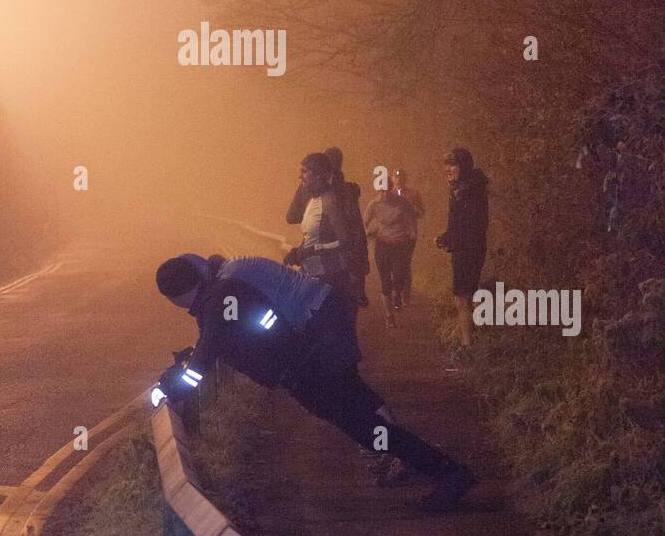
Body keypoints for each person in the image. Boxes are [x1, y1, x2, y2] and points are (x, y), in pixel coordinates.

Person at [153, 253, 475, 512]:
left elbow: (207, 353)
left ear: (178, 296)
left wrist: (172, 387)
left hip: (308, 361)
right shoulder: (225, 287)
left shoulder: (220, 297)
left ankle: (446, 473)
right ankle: (438, 469)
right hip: (317, 342)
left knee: (360, 423)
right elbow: (218, 339)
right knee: (362, 409)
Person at [283, 152, 355, 311]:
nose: (299, 176)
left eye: (304, 171)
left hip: (331, 280)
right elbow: (313, 238)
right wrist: (298, 252)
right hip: (314, 276)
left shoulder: (329, 201)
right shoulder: (312, 201)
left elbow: (346, 241)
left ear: (318, 175)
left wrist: (312, 250)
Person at [435, 147, 489, 353]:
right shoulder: (466, 186)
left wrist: (451, 239)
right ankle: (473, 340)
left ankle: (467, 345)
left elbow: (471, 223)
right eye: (446, 164)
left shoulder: (465, 190)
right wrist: (446, 238)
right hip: (468, 246)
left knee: (462, 296)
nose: (448, 169)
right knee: (468, 294)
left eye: (453, 164)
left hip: (468, 248)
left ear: (463, 166)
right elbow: (458, 223)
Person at [364, 178, 419, 326]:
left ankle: (397, 294)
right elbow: (365, 223)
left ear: (392, 188)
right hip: (383, 246)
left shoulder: (402, 202)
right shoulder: (374, 204)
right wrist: (369, 233)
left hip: (401, 245)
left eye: (387, 190)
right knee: (385, 282)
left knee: (399, 277)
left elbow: (412, 219)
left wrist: (412, 234)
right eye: (381, 191)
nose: (384, 194)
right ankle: (389, 316)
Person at [325, 147, 370, 309]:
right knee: (349, 301)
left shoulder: (324, 192)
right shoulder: (350, 189)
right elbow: (356, 225)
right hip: (350, 249)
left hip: (335, 251)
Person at [393, 167, 424, 304]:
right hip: (391, 235)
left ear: (405, 178)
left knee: (404, 264)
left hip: (408, 234)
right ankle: (397, 293)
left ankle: (405, 296)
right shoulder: (387, 194)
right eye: (396, 176)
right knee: (394, 264)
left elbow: (422, 212)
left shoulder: (413, 194)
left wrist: (413, 209)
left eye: (401, 177)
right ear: (392, 178)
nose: (398, 179)